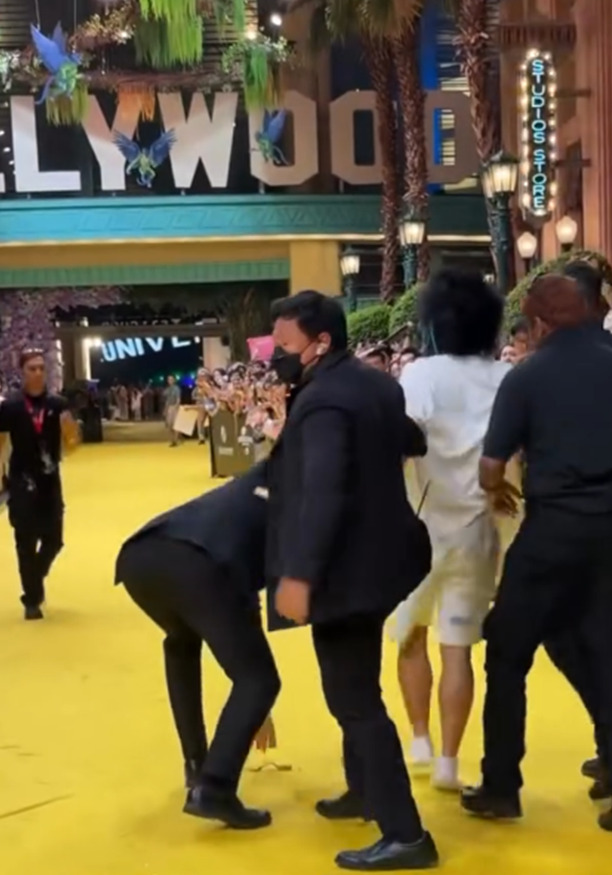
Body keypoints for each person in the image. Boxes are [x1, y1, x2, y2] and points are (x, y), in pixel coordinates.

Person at [462, 275, 612, 839]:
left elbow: (490, 467)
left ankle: (501, 785)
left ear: (537, 324)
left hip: (549, 532)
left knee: (507, 654)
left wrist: (499, 491)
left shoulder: (526, 376)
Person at [267, 290, 437, 871]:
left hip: (347, 569)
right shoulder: (377, 384)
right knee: (357, 682)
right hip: (389, 557)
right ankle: (363, 790)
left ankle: (405, 833)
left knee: (353, 697)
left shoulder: (322, 404)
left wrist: (298, 575)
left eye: (285, 347)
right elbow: (411, 441)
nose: (277, 358)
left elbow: (324, 493)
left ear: (321, 344)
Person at [114, 461, 280, 829]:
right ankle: (215, 787)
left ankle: (196, 765)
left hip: (142, 556)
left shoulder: (258, 478)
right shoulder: (303, 491)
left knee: (182, 641)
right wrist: (254, 700)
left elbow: (242, 583)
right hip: (199, 566)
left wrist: (252, 707)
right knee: (260, 681)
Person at [393, 270, 508, 791]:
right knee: (458, 646)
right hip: (481, 526)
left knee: (410, 634)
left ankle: (419, 736)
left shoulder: (420, 375)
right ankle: (451, 761)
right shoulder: (503, 376)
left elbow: (402, 435)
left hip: (420, 526)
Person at [0, 349, 78, 620]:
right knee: (25, 542)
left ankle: (35, 578)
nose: (37, 373)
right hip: (22, 481)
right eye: (31, 368)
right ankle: (32, 599)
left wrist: (70, 432)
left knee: (54, 540)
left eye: (41, 368)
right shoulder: (10, 407)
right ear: (22, 372)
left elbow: (72, 444)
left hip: (50, 481)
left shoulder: (57, 404)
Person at [163, 375, 182, 447]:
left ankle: (175, 440)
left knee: (175, 424)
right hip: (169, 407)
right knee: (169, 424)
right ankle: (172, 439)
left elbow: (178, 398)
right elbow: (166, 399)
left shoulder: (176, 389)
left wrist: (176, 407)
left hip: (174, 406)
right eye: (169, 379)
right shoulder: (167, 389)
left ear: (174, 380)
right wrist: (165, 409)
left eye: (171, 379)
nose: (170, 381)